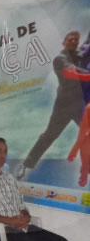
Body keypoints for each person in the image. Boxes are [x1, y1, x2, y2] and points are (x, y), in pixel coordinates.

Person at [17, 31, 86, 179]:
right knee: (49, 135)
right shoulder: (60, 59)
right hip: (64, 106)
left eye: (76, 40)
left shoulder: (80, 56)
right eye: (70, 39)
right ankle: (26, 165)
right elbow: (71, 74)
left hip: (79, 104)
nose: (74, 41)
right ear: (64, 42)